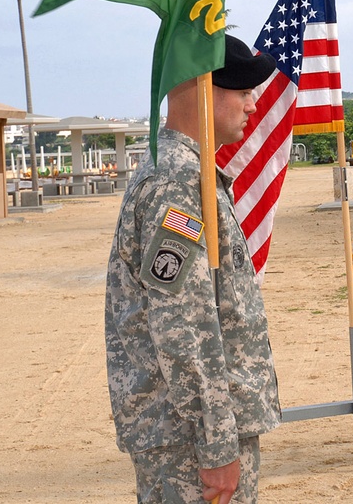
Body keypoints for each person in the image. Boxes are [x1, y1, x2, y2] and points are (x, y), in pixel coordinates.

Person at [106, 34, 282, 504]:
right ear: (203, 89)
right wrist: (217, 441)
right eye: (242, 92)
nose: (251, 105)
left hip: (189, 430)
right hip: (190, 439)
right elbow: (183, 325)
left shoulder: (188, 172)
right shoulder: (178, 183)